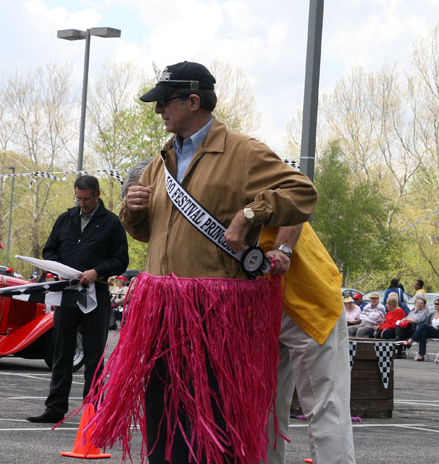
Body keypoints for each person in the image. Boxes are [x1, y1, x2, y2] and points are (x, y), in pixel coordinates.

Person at [87, 61, 318, 463]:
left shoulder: (244, 152)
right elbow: (149, 235)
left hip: (215, 312)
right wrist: (134, 211)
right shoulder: (160, 163)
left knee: (212, 420)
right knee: (162, 418)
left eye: (165, 102)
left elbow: (302, 193)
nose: (159, 111)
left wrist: (251, 213)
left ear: (194, 101)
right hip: (162, 308)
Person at [26, 175, 129, 424]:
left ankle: (94, 409)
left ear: (97, 195)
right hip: (67, 292)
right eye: (78, 199)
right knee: (62, 352)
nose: (81, 204)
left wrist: (98, 271)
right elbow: (49, 249)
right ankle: (54, 408)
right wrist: (58, 266)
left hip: (96, 295)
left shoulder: (112, 223)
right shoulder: (66, 219)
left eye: (86, 199)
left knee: (94, 355)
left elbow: (121, 260)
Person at [261, 223, 355, 464]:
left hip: (307, 296)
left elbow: (297, 193)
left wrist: (282, 247)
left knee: (326, 407)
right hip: (255, 302)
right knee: (260, 411)